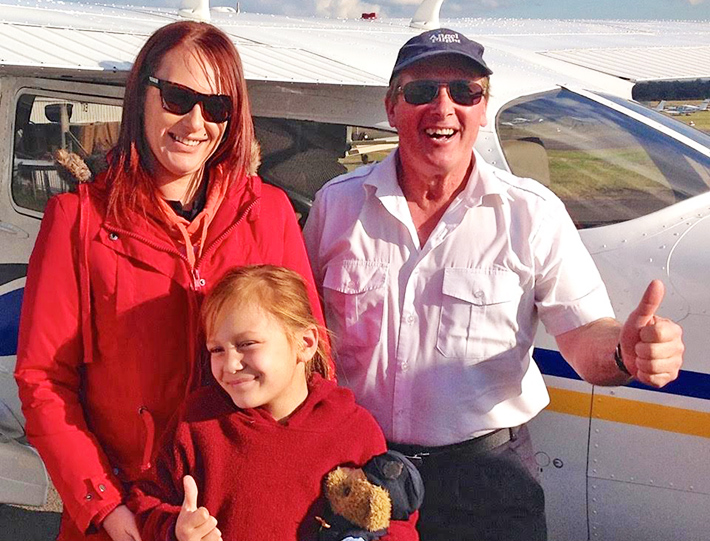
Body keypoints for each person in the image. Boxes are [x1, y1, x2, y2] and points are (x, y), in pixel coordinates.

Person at [303, 28, 685, 541]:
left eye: (464, 92)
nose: (443, 107)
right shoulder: (336, 205)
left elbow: (584, 335)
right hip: (361, 473)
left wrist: (625, 351)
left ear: (483, 107)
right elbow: (297, 333)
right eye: (421, 91)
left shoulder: (533, 212)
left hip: (486, 482)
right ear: (392, 108)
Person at [15, 21, 324, 541]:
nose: (195, 122)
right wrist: (106, 508)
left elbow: (310, 358)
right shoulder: (80, 220)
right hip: (132, 510)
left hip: (246, 504)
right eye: (178, 97)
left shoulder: (266, 212)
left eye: (216, 106)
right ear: (143, 97)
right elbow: (44, 380)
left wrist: (327, 463)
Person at [127, 265, 419, 541]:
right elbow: (147, 503)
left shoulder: (353, 430)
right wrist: (176, 530)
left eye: (246, 344)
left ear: (305, 343)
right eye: (216, 349)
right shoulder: (198, 423)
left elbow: (396, 520)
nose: (229, 364)